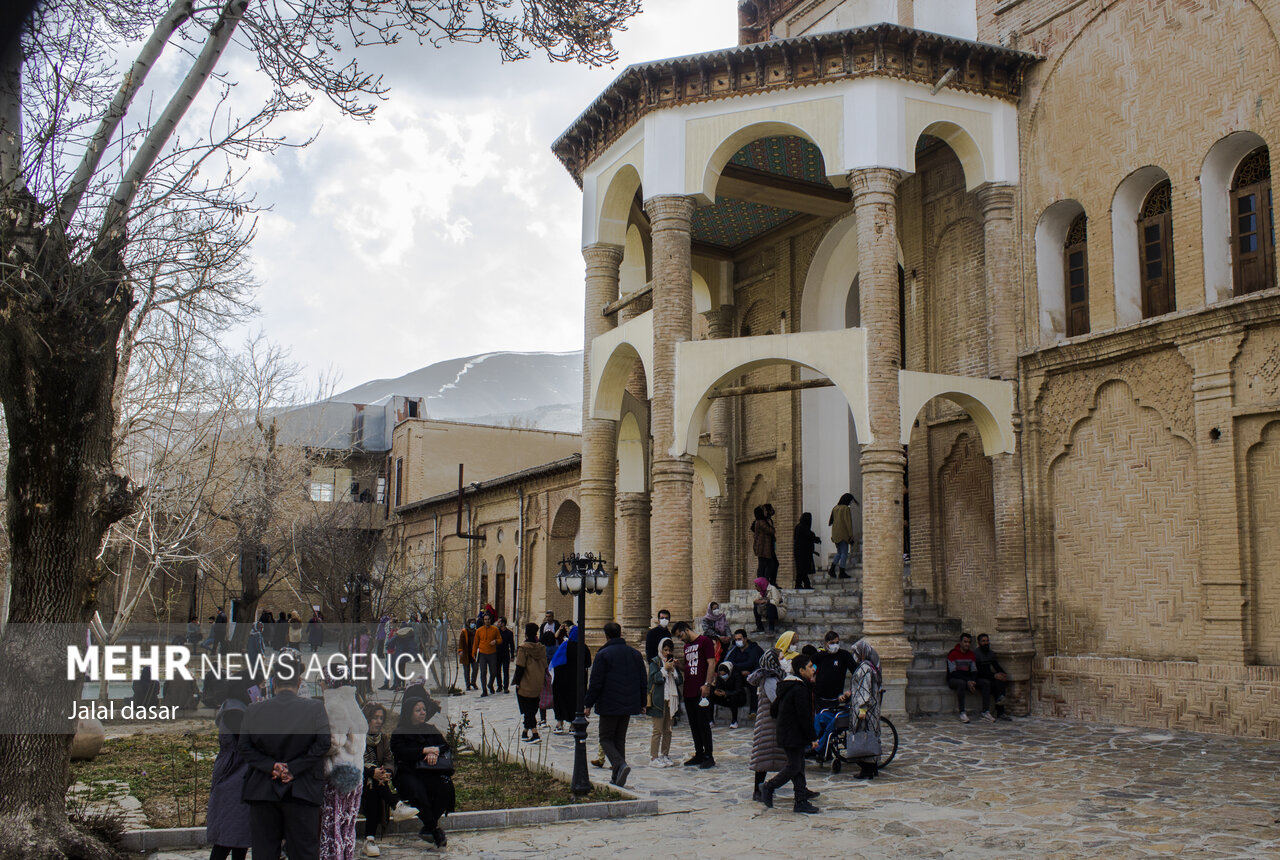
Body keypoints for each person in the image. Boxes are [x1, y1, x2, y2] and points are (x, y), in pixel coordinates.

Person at [238, 650, 331, 860]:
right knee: (304, 852)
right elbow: (323, 743)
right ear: (299, 681)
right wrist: (293, 768)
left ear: (273, 682)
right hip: (302, 789)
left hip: (262, 789)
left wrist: (272, 766)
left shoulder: (253, 710)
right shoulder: (315, 708)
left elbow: (244, 747)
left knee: (264, 852)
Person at [583, 622, 647, 788]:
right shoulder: (635, 653)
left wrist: (587, 703)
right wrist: (642, 702)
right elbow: (642, 680)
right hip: (628, 703)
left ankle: (619, 764)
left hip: (609, 703)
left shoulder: (603, 654)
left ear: (606, 635)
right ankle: (616, 777)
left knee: (605, 738)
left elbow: (596, 682)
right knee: (619, 739)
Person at [758, 653, 820, 815]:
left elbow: (775, 709)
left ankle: (801, 799)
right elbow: (803, 716)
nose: (813, 670)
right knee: (794, 766)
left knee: (799, 765)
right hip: (792, 733)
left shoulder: (789, 685)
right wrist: (812, 737)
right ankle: (769, 786)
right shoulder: (799, 689)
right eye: (809, 667)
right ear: (801, 670)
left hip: (790, 732)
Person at [390, 695, 455, 847]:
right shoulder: (400, 732)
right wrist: (424, 750)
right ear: (409, 713)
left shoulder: (430, 729)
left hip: (429, 771)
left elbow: (444, 746)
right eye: (418, 710)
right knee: (417, 792)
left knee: (445, 788)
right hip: (408, 772)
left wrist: (435, 751)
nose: (422, 713)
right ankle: (434, 829)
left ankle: (427, 828)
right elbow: (400, 751)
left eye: (424, 709)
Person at [319, 666, 367, 860]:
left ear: (329, 682)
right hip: (356, 773)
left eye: (322, 679)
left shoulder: (333, 703)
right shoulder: (352, 701)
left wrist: (316, 749)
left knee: (331, 828)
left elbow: (334, 741)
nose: (320, 683)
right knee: (347, 827)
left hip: (337, 774)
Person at [206, 678, 254, 860]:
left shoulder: (233, 707)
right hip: (235, 778)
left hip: (234, 775)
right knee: (229, 838)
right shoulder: (235, 711)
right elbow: (247, 742)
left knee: (237, 838)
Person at [747, 638, 792, 801]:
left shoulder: (777, 677)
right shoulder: (771, 679)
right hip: (769, 724)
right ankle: (759, 790)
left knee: (789, 759)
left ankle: (800, 787)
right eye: (781, 658)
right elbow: (776, 700)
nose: (784, 661)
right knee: (764, 759)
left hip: (774, 723)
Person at [672, 620, 717, 768]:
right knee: (693, 724)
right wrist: (680, 666)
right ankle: (699, 753)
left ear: (686, 629)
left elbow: (711, 663)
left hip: (701, 689)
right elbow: (690, 667)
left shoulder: (705, 641)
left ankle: (708, 755)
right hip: (689, 689)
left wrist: (707, 684)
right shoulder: (687, 647)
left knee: (703, 723)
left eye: (680, 635)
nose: (681, 639)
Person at [359, 703, 397, 858]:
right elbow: (354, 764)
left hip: (376, 782)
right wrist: (371, 772)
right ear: (366, 719)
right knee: (374, 783)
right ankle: (396, 804)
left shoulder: (383, 739)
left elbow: (389, 761)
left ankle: (370, 839)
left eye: (381, 718)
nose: (379, 721)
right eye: (375, 718)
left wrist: (385, 772)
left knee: (376, 785)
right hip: (358, 781)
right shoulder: (357, 737)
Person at [848, 638, 883, 779]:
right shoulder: (871, 667)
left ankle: (866, 770)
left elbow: (864, 691)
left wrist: (862, 709)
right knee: (871, 736)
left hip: (866, 710)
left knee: (864, 737)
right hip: (872, 709)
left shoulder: (865, 668)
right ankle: (872, 768)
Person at [646, 637, 682, 767]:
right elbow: (655, 679)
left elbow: (679, 681)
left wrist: (674, 670)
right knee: (657, 730)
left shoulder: (672, 663)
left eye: (669, 650)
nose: (667, 652)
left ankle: (665, 754)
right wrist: (664, 669)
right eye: (665, 650)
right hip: (659, 700)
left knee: (668, 729)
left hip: (670, 699)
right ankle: (654, 757)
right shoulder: (655, 662)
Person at [549, 625, 591, 734]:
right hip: (577, 680)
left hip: (562, 679)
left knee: (561, 700)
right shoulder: (583, 647)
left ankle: (559, 723)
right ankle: (573, 724)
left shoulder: (564, 646)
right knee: (575, 701)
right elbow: (588, 663)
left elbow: (555, 663)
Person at [513, 622, 549, 744]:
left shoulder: (523, 648)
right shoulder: (541, 648)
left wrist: (517, 682)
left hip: (526, 682)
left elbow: (520, 666)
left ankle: (534, 733)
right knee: (533, 707)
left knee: (527, 709)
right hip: (538, 682)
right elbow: (545, 665)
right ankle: (525, 731)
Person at [947, 632, 992, 723]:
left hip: (968, 679)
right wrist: (967, 680)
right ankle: (962, 712)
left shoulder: (971, 654)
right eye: (965, 642)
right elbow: (953, 672)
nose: (967, 644)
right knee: (961, 683)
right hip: (954, 679)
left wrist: (972, 681)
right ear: (960, 642)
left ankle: (986, 711)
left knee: (985, 683)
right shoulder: (953, 654)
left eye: (969, 642)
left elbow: (974, 670)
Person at [724, 630, 763, 718]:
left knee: (753, 686)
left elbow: (752, 663)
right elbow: (729, 663)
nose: (738, 641)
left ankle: (753, 710)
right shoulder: (734, 650)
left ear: (745, 639)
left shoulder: (754, 649)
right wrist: (740, 670)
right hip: (738, 676)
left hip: (752, 675)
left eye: (740, 639)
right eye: (736, 639)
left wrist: (744, 669)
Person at [813, 630, 858, 705]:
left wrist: (851, 691)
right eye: (832, 643)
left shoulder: (844, 655)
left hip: (836, 698)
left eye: (837, 643)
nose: (835, 645)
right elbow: (809, 667)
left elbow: (856, 672)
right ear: (826, 643)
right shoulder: (819, 656)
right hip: (819, 698)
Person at [975, 633, 1013, 721]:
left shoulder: (990, 654)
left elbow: (996, 666)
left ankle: (1001, 712)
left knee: (1000, 682)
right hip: (978, 677)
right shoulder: (976, 654)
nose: (986, 643)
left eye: (987, 641)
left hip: (988, 676)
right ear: (979, 643)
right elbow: (980, 671)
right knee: (986, 683)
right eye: (983, 641)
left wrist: (1003, 674)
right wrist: (994, 675)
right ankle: (985, 711)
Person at [828, 493, 856, 579]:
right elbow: (848, 522)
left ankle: (832, 569)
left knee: (839, 552)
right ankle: (842, 571)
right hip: (843, 534)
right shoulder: (845, 509)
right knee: (844, 553)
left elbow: (832, 522)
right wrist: (851, 534)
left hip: (836, 534)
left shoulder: (835, 508)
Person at [710, 662, 746, 728]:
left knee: (733, 697)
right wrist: (716, 691)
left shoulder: (736, 675)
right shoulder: (719, 676)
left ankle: (734, 721)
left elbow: (738, 690)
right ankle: (710, 720)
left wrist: (726, 693)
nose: (723, 676)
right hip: (724, 697)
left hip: (737, 698)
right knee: (710, 696)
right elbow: (718, 686)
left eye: (724, 674)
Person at [472, 613, 501, 696]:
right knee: (483, 672)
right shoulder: (479, 630)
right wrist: (473, 653)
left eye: (488, 619)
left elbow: (500, 639)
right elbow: (476, 643)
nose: (487, 621)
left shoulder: (495, 629)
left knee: (493, 672)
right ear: (483, 620)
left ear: (490, 620)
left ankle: (490, 684)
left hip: (492, 654)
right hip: (482, 654)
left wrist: (495, 641)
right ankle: (484, 690)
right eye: (485, 619)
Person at [750, 506, 778, 586]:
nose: (766, 512)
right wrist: (770, 524)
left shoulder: (760, 521)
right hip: (762, 548)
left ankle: (764, 583)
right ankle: (762, 583)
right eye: (765, 510)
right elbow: (771, 531)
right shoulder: (761, 522)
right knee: (765, 565)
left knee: (766, 564)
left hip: (764, 547)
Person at [792, 512, 820, 590]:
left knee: (802, 569)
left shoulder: (799, 527)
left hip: (800, 552)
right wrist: (815, 539)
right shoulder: (803, 528)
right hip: (802, 553)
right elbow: (809, 536)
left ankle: (806, 584)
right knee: (801, 569)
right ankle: (798, 584)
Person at [537, 630, 557, 727]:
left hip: (544, 675)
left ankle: (543, 720)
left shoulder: (542, 649)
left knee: (542, 697)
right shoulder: (557, 649)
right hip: (555, 675)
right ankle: (558, 718)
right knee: (554, 698)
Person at [495, 617, 515, 693]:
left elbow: (512, 644)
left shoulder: (509, 633)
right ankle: (499, 686)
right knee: (497, 671)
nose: (498, 623)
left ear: (503, 623)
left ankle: (506, 687)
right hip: (497, 654)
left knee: (505, 671)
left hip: (505, 654)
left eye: (499, 622)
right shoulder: (496, 632)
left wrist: (512, 655)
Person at [457, 620, 478, 691]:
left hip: (474, 653)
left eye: (474, 623)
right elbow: (461, 642)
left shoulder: (476, 632)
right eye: (471, 623)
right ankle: (468, 684)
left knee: (475, 668)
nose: (473, 624)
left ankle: (473, 682)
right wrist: (460, 650)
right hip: (466, 653)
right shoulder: (464, 632)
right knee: (466, 670)